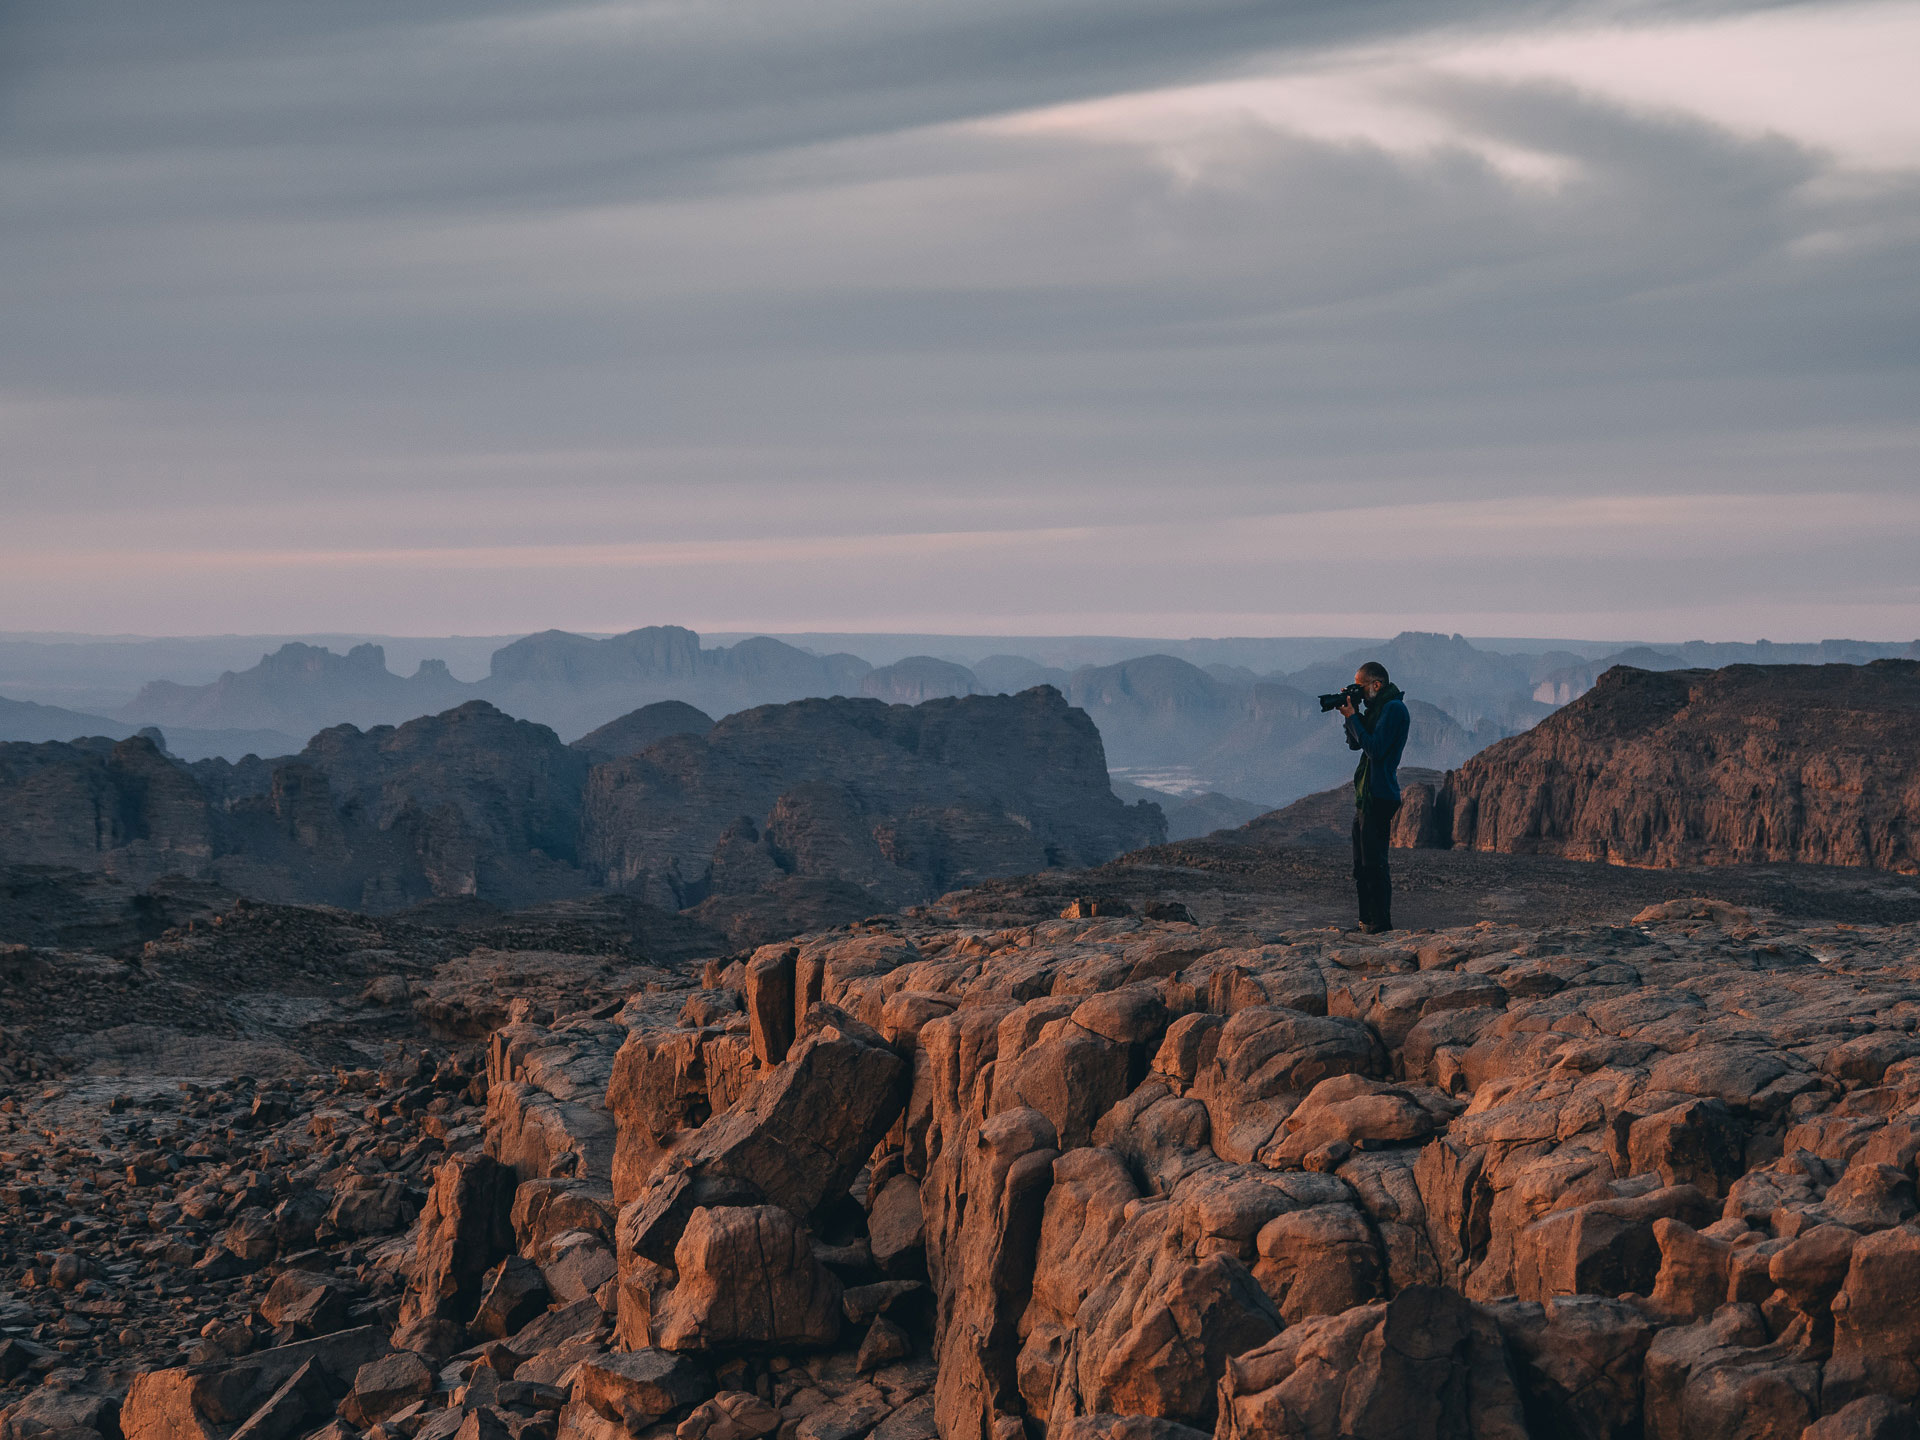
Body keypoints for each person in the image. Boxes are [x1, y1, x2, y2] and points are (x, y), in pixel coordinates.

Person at [1338, 661, 1409, 933]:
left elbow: (1375, 750)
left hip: (1379, 795)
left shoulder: (1393, 709)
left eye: (1361, 686)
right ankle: (1366, 921)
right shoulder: (1377, 709)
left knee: (1375, 863)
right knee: (1361, 865)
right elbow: (1356, 743)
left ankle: (1380, 924)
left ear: (1376, 685)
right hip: (1367, 796)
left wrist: (1354, 717)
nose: (1359, 691)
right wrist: (1350, 715)